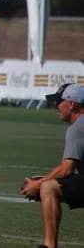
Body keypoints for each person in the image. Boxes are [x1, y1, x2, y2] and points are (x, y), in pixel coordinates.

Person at [20, 83, 84, 248]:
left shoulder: (77, 128)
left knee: (48, 187)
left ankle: (49, 246)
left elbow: (66, 169)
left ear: (71, 104)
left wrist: (38, 184)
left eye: (59, 102)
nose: (56, 106)